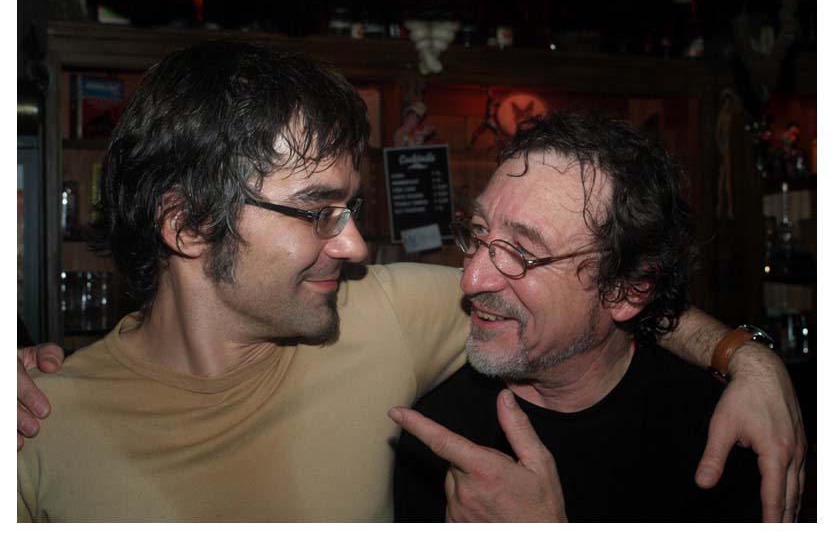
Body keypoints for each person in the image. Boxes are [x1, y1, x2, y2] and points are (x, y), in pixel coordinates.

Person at [17, 41, 804, 522]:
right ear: (187, 225)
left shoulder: (382, 316)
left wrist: (748, 358)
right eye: (317, 211)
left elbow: (594, 300)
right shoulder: (36, 427)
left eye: (350, 208)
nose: (354, 244)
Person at [390, 111, 770, 522]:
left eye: (522, 251)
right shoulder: (440, 430)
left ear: (626, 288)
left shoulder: (721, 429)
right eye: (479, 231)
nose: (471, 279)